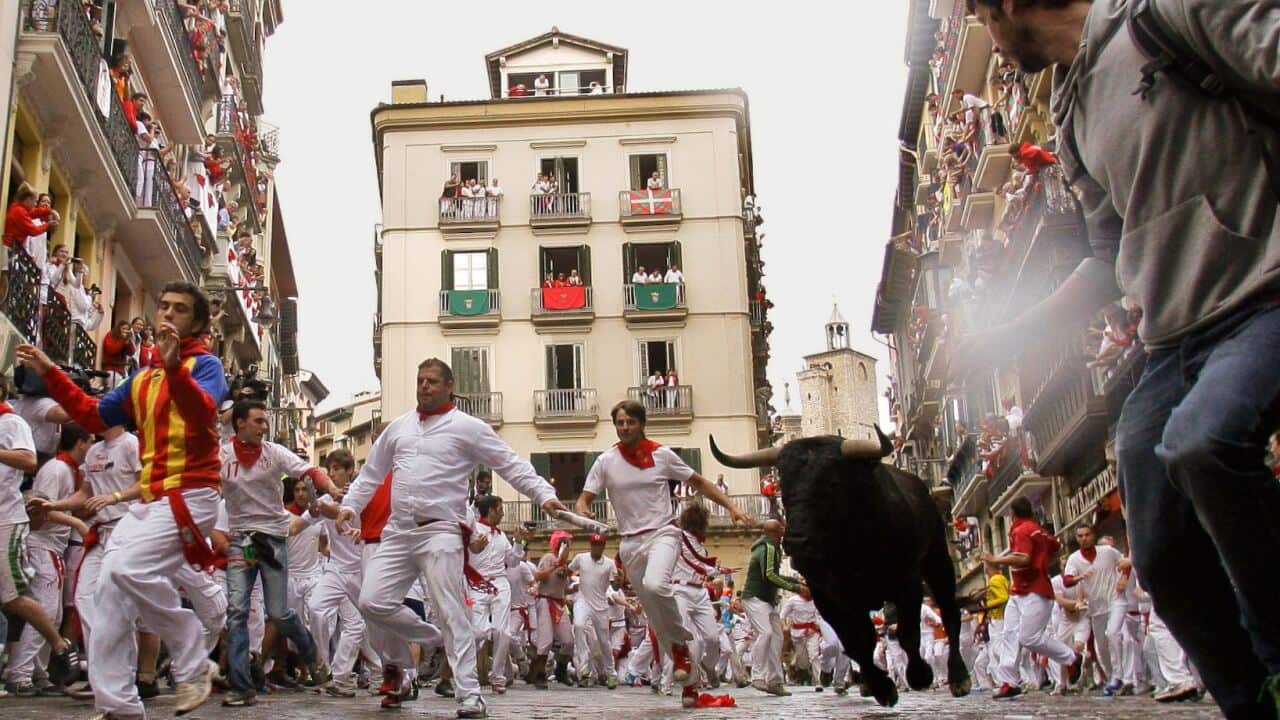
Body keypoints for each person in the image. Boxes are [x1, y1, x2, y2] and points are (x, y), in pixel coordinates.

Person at [956, 2, 1280, 716]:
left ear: (1010, 4)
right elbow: (1109, 258)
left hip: (1266, 291)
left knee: (1204, 441)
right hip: (1173, 338)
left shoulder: (1165, 14)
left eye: (980, 15)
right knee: (1159, 545)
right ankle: (1252, 704)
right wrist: (1014, 330)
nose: (992, 47)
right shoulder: (1070, 118)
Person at [16, 281, 228, 718]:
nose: (167, 314)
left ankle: (191, 658)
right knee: (108, 591)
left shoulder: (206, 367)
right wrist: (51, 372)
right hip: (152, 498)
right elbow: (92, 414)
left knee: (126, 569)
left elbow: (202, 413)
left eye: (180, 310)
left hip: (192, 492)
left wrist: (174, 370)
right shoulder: (141, 379)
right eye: (164, 306)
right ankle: (120, 705)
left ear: (198, 323)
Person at [335, 358, 566, 718]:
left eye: (431, 381)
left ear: (448, 386)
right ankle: (430, 643)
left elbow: (510, 463)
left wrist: (543, 495)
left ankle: (470, 696)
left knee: (450, 609)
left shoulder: (468, 427)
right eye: (419, 380)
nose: (424, 387)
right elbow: (369, 476)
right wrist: (351, 506)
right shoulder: (398, 428)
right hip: (398, 532)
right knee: (371, 602)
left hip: (441, 530)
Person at [576, 399, 752, 708]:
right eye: (619, 422)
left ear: (641, 424)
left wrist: (732, 507)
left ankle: (682, 652)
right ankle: (690, 682)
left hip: (663, 534)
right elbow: (584, 499)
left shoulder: (662, 455)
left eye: (630, 421)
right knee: (656, 619)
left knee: (658, 585)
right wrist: (585, 511)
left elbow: (699, 482)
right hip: (630, 544)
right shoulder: (605, 461)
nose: (625, 427)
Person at [219, 398, 339, 706]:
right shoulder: (222, 455)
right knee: (236, 611)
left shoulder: (274, 453)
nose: (264, 426)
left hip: (272, 540)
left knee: (278, 613)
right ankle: (242, 686)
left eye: (265, 421)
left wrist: (331, 488)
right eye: (258, 421)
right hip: (242, 542)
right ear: (240, 423)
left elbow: (308, 470)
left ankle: (312, 656)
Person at [4, 423, 90, 694]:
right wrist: (76, 523)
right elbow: (39, 508)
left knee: (49, 611)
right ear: (79, 442)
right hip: (43, 545)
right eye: (90, 442)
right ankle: (21, 673)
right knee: (45, 609)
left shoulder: (65, 469)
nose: (92, 449)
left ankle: (37, 673)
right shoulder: (57, 469)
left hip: (52, 545)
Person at [981, 497, 1076, 700]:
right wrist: (1042, 561)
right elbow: (1055, 545)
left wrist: (995, 559)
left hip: (1035, 591)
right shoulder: (1037, 529)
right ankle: (1009, 681)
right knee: (1010, 635)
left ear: (1013, 513)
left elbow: (1023, 558)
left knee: (1029, 638)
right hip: (1019, 591)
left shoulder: (1021, 530)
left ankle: (1070, 658)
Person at [740, 518, 804, 696]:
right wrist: (796, 587)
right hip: (754, 598)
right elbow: (769, 575)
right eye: (781, 529)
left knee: (777, 638)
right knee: (766, 633)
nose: (784, 532)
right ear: (776, 532)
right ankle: (758, 676)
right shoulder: (767, 548)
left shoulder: (771, 548)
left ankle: (775, 681)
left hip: (765, 601)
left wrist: (796, 581)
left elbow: (774, 575)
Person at [1062, 524, 1125, 696]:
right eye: (1080, 536)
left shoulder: (1107, 551)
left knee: (1112, 633)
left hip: (1115, 601)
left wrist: (1124, 578)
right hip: (1096, 609)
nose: (1084, 538)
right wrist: (1078, 578)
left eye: (1087, 534)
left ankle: (1120, 676)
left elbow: (1124, 562)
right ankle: (1112, 678)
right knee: (1102, 648)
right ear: (1077, 539)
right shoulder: (1074, 559)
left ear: (1093, 535)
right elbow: (1067, 581)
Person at [468, 494, 521, 694]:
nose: (502, 513)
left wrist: (519, 542)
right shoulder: (474, 530)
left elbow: (513, 561)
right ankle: (468, 673)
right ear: (490, 510)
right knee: (479, 632)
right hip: (477, 583)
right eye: (500, 509)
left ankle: (497, 676)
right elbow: (467, 552)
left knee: (502, 631)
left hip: (500, 583)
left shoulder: (501, 536)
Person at [671, 503, 725, 688]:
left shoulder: (702, 547)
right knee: (688, 639)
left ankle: (708, 665)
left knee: (713, 638)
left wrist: (716, 570)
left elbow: (704, 569)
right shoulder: (679, 537)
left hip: (700, 592)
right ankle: (690, 686)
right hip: (680, 591)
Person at [569, 533, 618, 689]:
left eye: (599, 545)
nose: (596, 547)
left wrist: (619, 579)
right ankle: (583, 665)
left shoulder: (610, 564)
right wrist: (571, 585)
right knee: (578, 625)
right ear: (590, 545)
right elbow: (568, 571)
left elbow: (615, 584)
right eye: (594, 544)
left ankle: (611, 674)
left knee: (604, 642)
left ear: (603, 546)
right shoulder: (580, 558)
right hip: (583, 600)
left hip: (601, 605)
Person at [531, 530, 575, 689]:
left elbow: (562, 587)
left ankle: (561, 670)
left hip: (558, 603)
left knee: (568, 641)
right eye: (566, 544)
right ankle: (540, 674)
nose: (569, 548)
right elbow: (538, 577)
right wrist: (553, 567)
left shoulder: (565, 564)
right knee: (546, 640)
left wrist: (572, 589)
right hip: (545, 601)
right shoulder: (549, 558)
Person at [780, 586, 823, 687]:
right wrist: (785, 626)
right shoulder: (792, 601)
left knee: (814, 655)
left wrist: (819, 624)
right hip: (797, 633)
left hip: (812, 632)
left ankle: (818, 681)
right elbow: (782, 615)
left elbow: (821, 614)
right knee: (803, 662)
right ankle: (805, 669)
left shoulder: (817, 600)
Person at [4, 185, 57, 255]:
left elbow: (35, 212)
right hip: (10, 247)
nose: (35, 204)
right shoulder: (19, 211)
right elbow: (33, 230)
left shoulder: (20, 208)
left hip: (13, 247)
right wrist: (48, 225)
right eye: (35, 201)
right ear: (28, 199)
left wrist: (50, 211)